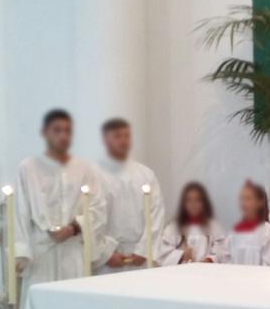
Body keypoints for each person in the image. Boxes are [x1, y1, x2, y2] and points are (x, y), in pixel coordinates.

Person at [13, 109, 106, 297]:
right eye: (57, 130)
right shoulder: (28, 167)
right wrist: (20, 251)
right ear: (44, 132)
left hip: (72, 249)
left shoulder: (84, 168)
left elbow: (98, 207)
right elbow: (19, 211)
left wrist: (73, 227)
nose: (63, 136)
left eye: (67, 131)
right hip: (41, 251)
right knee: (41, 304)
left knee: (73, 303)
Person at [96, 118, 165, 273]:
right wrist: (106, 253)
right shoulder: (94, 175)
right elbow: (90, 219)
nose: (123, 141)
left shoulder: (146, 174)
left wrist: (144, 250)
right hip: (109, 260)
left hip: (141, 258)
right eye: (117, 136)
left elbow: (156, 215)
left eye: (126, 136)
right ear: (106, 139)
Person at [158, 181, 226, 265]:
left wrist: (210, 259)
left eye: (197, 200)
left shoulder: (213, 227)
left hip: (207, 273)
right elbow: (163, 254)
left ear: (204, 203)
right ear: (183, 204)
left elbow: (222, 250)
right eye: (189, 200)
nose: (193, 204)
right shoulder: (174, 228)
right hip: (180, 274)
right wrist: (181, 255)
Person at [226, 180, 270, 266]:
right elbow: (226, 259)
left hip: (258, 278)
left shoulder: (268, 232)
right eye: (242, 199)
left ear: (260, 202)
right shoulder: (233, 231)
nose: (243, 204)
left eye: (248, 199)